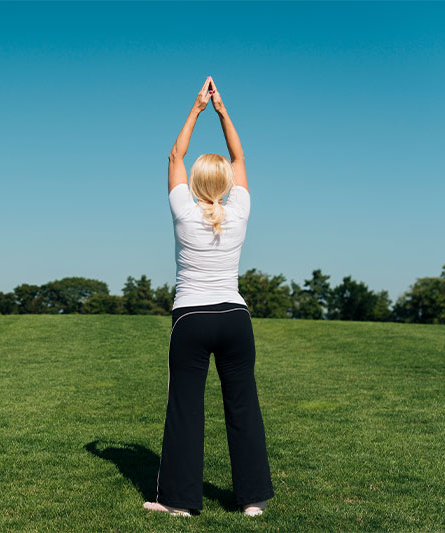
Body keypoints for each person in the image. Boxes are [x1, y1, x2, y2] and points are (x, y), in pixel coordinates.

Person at [143, 77, 274, 517]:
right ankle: (252, 501)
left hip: (192, 320)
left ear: (197, 182)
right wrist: (222, 111)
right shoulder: (239, 211)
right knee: (243, 407)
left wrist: (197, 108)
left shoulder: (183, 209)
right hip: (236, 319)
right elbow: (239, 155)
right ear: (229, 184)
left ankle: (179, 503)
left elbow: (174, 155)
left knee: (185, 409)